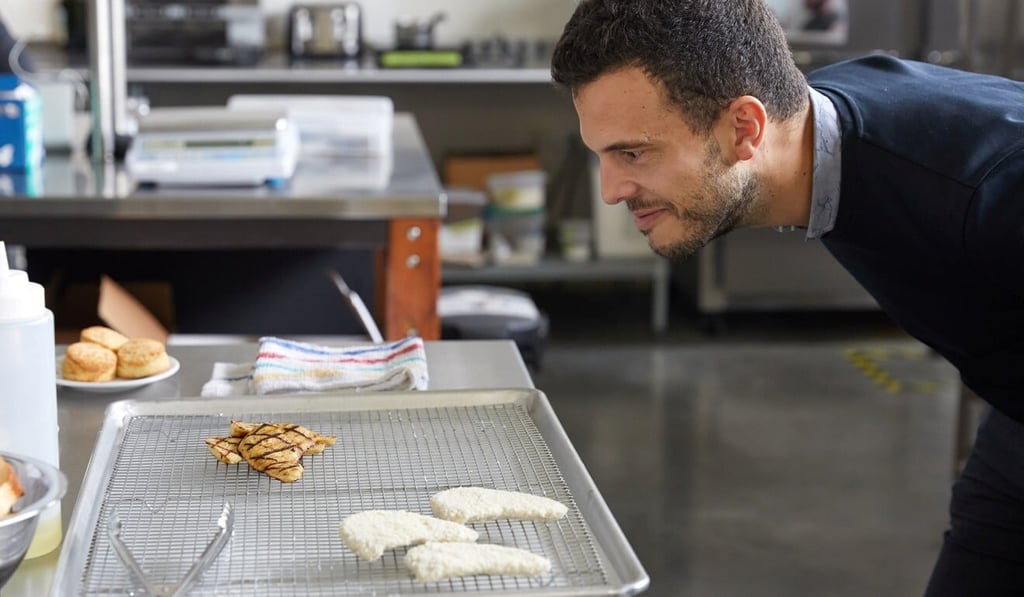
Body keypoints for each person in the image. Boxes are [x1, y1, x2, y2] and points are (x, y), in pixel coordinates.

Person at [550, 0, 1024, 595]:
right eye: (602, 154)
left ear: (745, 128)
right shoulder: (809, 122)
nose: (612, 190)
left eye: (633, 153)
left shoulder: (990, 192)